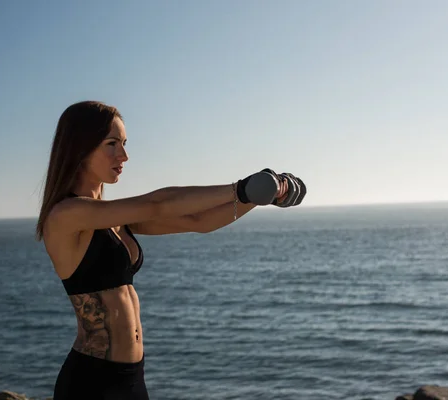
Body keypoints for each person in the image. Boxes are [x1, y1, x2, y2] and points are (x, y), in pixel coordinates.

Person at [35, 100, 303, 399]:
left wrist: (260, 196)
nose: (123, 155)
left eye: (124, 144)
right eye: (112, 144)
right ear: (79, 147)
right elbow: (157, 203)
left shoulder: (114, 218)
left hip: (131, 377)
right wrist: (240, 188)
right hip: (91, 381)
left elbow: (199, 221)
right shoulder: (66, 215)